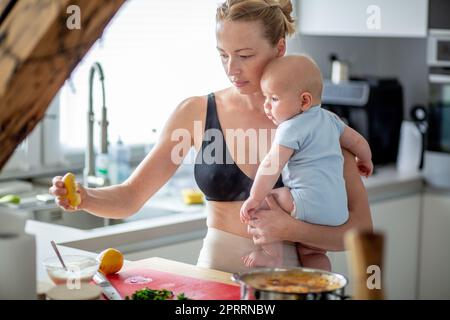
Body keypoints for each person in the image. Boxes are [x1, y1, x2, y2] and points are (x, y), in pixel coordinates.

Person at [49, 0, 372, 274]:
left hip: (293, 280)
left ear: (279, 48)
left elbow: (359, 233)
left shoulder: (316, 123)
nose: (232, 68)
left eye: (245, 55)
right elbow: (131, 197)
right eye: (223, 54)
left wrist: (291, 230)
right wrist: (85, 197)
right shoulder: (196, 113)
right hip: (215, 275)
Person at [240, 55, 373, 270]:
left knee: (267, 202)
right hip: (337, 212)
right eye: (265, 98)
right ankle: (321, 277)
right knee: (312, 252)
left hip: (305, 202)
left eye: (273, 99)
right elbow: (357, 140)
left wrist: (255, 198)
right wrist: (364, 160)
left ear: (304, 101)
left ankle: (273, 256)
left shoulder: (291, 127)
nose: (266, 106)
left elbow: (271, 165)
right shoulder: (331, 119)